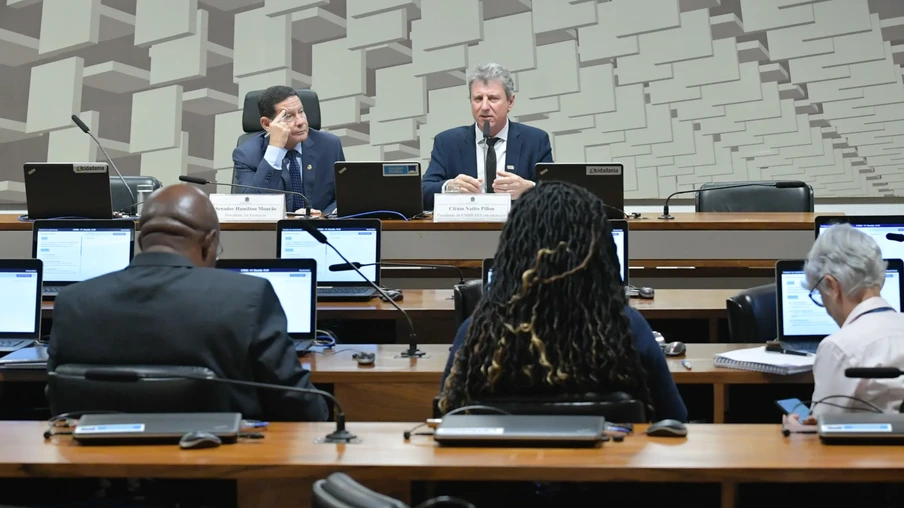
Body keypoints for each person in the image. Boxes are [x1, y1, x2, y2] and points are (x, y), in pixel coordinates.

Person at [47, 184, 329, 422]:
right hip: (219, 463)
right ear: (209, 242)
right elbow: (297, 405)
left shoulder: (73, 301)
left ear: (143, 240)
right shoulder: (246, 297)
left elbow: (56, 396)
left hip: (96, 464)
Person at [439, 181, 687, 422]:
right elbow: (673, 419)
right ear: (600, 249)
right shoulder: (627, 326)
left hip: (501, 452)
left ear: (512, 248)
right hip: (611, 451)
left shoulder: (479, 330)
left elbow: (449, 413)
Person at [802, 224, 904, 420]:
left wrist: (797, 428)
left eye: (820, 295)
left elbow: (821, 428)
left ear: (832, 286)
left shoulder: (839, 347)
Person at [421, 62, 553, 211]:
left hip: (517, 225)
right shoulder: (447, 143)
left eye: (493, 98)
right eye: (478, 99)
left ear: (510, 102)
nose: (484, 107)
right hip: (466, 225)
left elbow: (557, 197)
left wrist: (530, 189)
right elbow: (422, 192)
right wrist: (449, 187)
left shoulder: (535, 141)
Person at [233, 86, 345, 215]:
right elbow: (252, 206)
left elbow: (343, 197)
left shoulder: (330, 145)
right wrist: (275, 149)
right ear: (267, 124)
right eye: (289, 116)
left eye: (301, 112)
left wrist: (323, 217)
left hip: (320, 225)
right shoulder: (247, 155)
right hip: (274, 227)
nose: (301, 121)